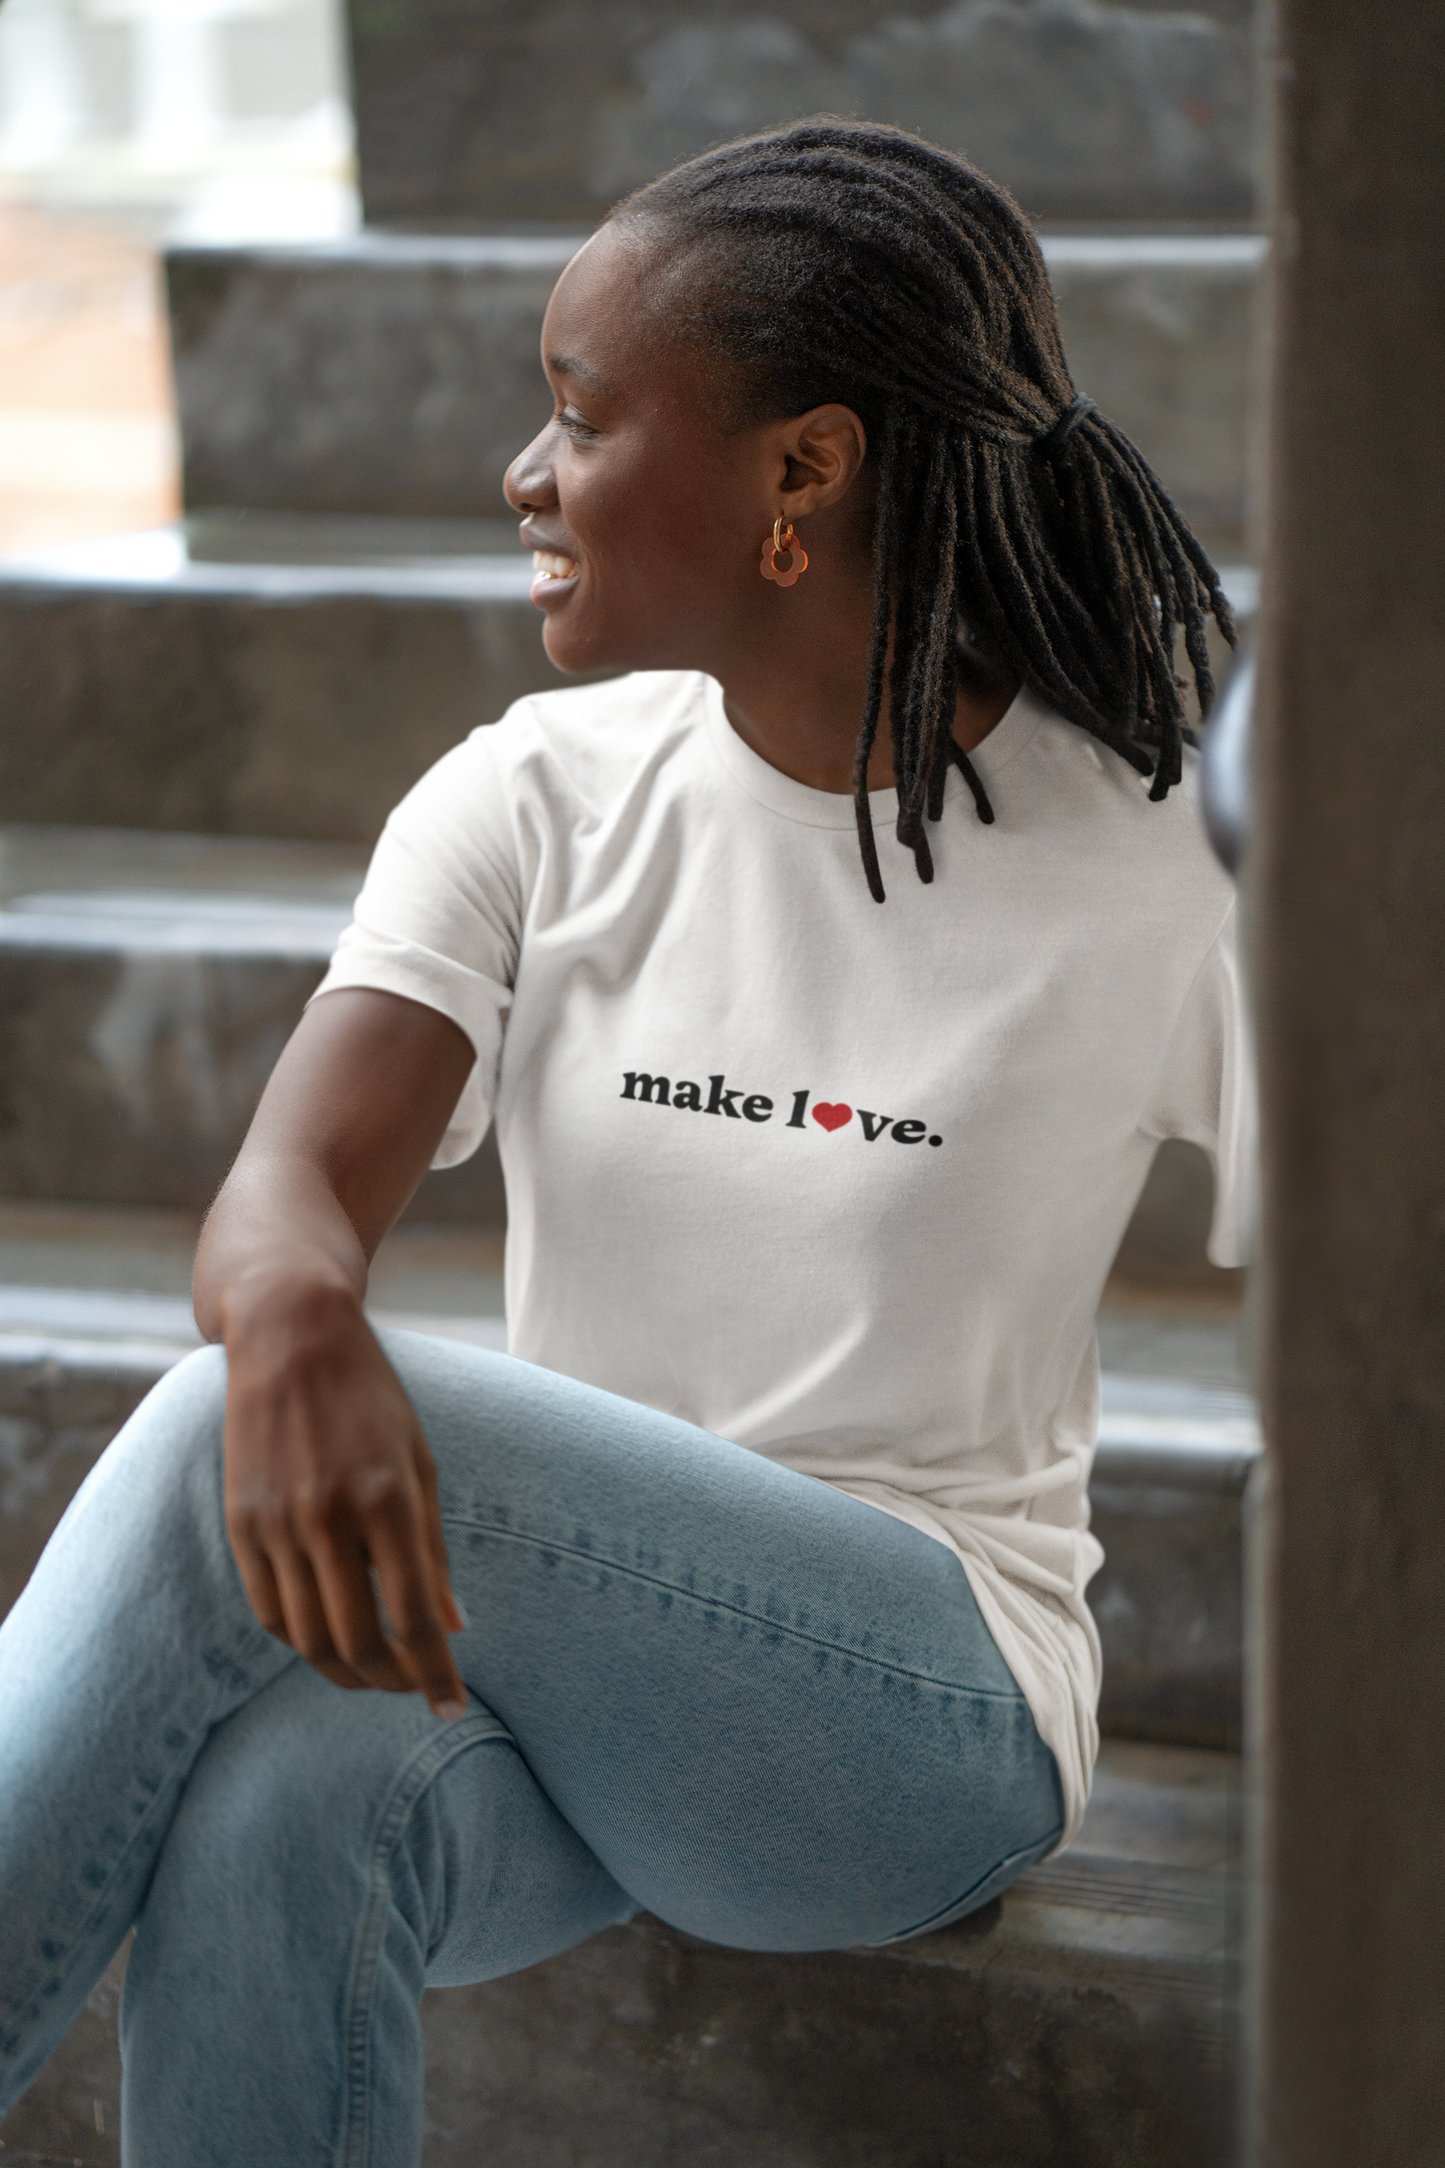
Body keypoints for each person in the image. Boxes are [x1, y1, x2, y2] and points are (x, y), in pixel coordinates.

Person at [0, 120, 1250, 2163]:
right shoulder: (536, 796)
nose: (522, 470)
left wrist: (294, 1347)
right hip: (567, 1697)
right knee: (274, 1811)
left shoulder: (1140, 866)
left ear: (799, 474)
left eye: (580, 416)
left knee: (180, 1445)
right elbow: (288, 1186)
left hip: (911, 1717)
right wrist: (298, 1297)